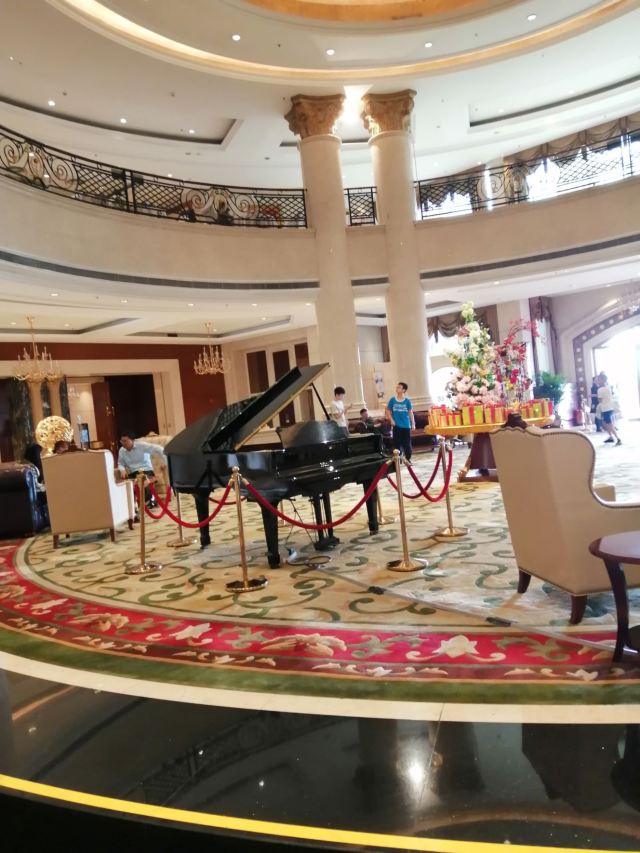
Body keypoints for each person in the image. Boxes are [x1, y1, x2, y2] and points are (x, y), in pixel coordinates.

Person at [117, 431, 168, 507]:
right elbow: (120, 463)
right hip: (133, 473)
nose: (123, 443)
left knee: (144, 481)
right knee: (129, 485)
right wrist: (122, 470)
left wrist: (164, 462)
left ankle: (149, 500)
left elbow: (160, 449)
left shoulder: (142, 445)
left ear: (132, 440)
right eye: (122, 441)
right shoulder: (121, 450)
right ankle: (134, 504)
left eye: (125, 441)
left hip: (146, 470)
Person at [386, 382, 415, 461]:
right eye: (397, 387)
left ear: (403, 390)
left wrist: (413, 424)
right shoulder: (392, 400)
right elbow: (388, 411)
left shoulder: (407, 401)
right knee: (397, 444)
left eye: (399, 387)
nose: (397, 389)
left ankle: (408, 459)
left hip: (406, 426)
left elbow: (410, 412)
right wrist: (391, 420)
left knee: (407, 444)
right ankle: (398, 460)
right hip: (396, 426)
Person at [597, 372, 621, 446]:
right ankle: (610, 437)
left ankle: (618, 438)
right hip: (610, 408)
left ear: (602, 380)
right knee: (606, 423)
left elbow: (600, 400)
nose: (597, 381)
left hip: (605, 409)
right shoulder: (608, 387)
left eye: (598, 380)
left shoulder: (600, 389)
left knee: (609, 425)